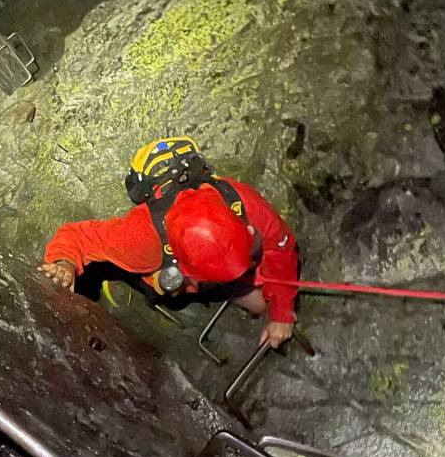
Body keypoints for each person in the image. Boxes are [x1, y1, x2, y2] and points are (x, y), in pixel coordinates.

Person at [38, 136, 298, 349]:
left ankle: (235, 287)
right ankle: (119, 277)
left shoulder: (242, 201)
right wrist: (66, 263)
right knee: (166, 292)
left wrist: (282, 312)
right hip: (160, 268)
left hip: (190, 269)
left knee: (261, 304)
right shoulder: (141, 238)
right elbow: (78, 236)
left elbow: (281, 248)